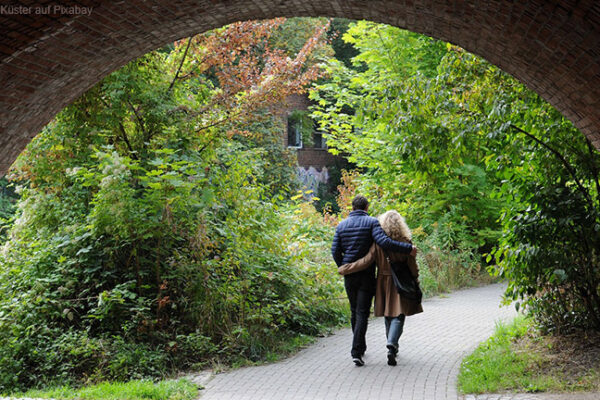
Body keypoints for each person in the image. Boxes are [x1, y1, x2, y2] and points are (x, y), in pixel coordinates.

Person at [331, 196, 417, 366]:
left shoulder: (341, 225)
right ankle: (357, 351)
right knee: (363, 312)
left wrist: (343, 265)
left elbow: (335, 250)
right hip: (366, 275)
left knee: (354, 310)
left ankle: (360, 349)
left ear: (352, 207)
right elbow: (384, 241)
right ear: (367, 207)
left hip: (350, 273)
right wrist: (408, 248)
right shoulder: (371, 222)